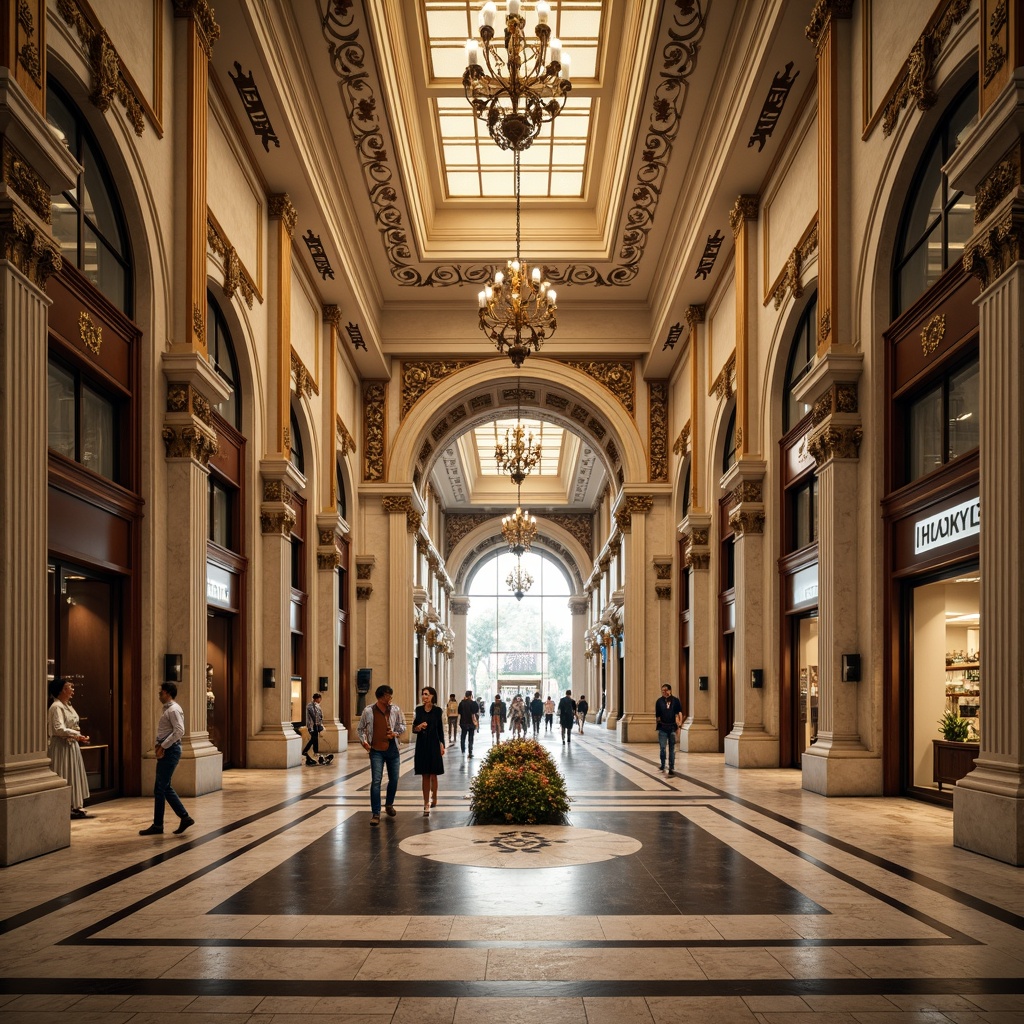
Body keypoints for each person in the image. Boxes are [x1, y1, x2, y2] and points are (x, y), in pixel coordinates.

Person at [139, 682, 194, 836]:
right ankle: (165, 822)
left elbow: (179, 731)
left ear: (168, 693)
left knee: (162, 787)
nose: (159, 695)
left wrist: (163, 746)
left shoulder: (174, 710)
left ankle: (179, 818)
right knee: (162, 787)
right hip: (168, 750)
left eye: (161, 693)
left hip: (170, 751)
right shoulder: (169, 709)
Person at [357, 684, 406, 826]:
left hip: (392, 750)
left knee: (394, 779)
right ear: (381, 696)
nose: (390, 697)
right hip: (376, 751)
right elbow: (360, 729)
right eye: (388, 695)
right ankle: (376, 813)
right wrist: (364, 742)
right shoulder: (368, 711)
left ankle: (389, 804)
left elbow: (402, 726)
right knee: (376, 781)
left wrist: (395, 733)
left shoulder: (395, 710)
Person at [47, 678, 91, 820]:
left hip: (71, 745)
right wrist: (76, 734)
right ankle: (65, 805)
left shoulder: (68, 706)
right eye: (69, 687)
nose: (72, 690)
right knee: (65, 772)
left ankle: (74, 805)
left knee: (72, 773)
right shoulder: (56, 707)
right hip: (61, 746)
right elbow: (58, 728)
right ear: (61, 691)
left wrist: (77, 736)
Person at [413, 686, 446, 815]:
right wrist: (419, 727)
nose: (424, 697)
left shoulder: (438, 711)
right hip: (422, 744)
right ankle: (426, 803)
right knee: (425, 774)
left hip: (433, 744)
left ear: (432, 696)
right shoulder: (419, 710)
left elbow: (440, 729)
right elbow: (414, 728)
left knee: (433, 774)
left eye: (426, 694)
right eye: (423, 694)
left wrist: (442, 744)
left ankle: (435, 796)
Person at [655, 683, 684, 776]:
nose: (664, 692)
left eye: (666, 690)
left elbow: (679, 713)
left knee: (672, 748)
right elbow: (657, 716)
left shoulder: (675, 701)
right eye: (662, 690)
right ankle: (663, 764)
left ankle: (671, 766)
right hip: (663, 728)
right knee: (662, 748)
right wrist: (658, 725)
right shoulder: (659, 701)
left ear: (670, 690)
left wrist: (679, 725)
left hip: (672, 728)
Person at [302, 692, 324, 766]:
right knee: (314, 738)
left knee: (315, 738)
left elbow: (319, 716)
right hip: (312, 725)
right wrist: (318, 724)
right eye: (319, 698)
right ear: (317, 698)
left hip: (316, 724)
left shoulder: (317, 706)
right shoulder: (310, 706)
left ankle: (315, 752)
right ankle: (306, 751)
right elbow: (314, 716)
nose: (320, 700)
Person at [458, 689, 479, 757]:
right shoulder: (473, 703)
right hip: (471, 722)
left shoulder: (462, 703)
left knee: (463, 736)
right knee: (470, 737)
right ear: (470, 696)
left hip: (463, 722)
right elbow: (476, 710)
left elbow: (459, 711)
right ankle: (470, 751)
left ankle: (463, 750)